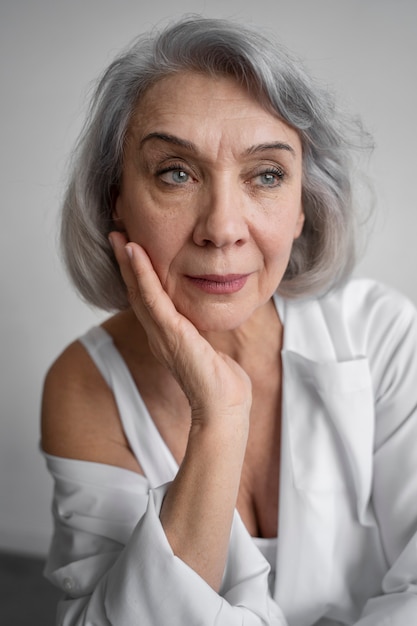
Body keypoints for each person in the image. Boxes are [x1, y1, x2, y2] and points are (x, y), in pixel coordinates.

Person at [40, 15, 417, 626]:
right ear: (116, 197)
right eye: (176, 173)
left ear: (302, 206)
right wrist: (218, 417)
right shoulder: (86, 385)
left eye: (266, 175)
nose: (221, 228)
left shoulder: (384, 333)